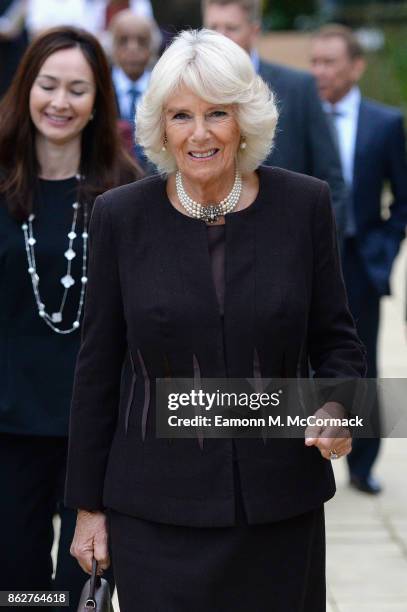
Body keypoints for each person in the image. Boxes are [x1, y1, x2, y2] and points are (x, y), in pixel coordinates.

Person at [66, 29, 366, 612]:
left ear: (245, 119)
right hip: (155, 512)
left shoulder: (304, 205)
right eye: (181, 115)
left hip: (280, 507)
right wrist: (87, 508)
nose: (199, 133)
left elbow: (338, 341)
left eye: (216, 114)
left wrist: (338, 407)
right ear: (161, 126)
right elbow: (96, 372)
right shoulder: (120, 217)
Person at [0, 26, 141, 610]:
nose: (60, 102)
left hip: (96, 432)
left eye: (77, 90)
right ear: (25, 89)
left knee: (81, 591)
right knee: (18, 588)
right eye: (48, 85)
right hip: (9, 428)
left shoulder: (128, 190)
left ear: (98, 101)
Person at [310, 24, 407, 494]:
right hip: (307, 257)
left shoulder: (385, 123)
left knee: (363, 362)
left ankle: (363, 464)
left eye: (330, 62)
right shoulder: (298, 115)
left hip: (359, 259)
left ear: (356, 65)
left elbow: (402, 200)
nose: (320, 71)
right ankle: (308, 449)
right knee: (305, 356)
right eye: (315, 61)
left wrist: (381, 254)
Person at [202, 0, 347, 242]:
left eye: (231, 28)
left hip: (288, 244)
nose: (221, 37)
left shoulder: (298, 88)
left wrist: (316, 252)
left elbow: (332, 181)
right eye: (213, 28)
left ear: (254, 31)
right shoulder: (185, 92)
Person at [110, 9, 159, 167]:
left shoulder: (162, 89)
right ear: (112, 46)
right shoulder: (100, 88)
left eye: (142, 41)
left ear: (152, 46)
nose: (133, 49)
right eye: (123, 40)